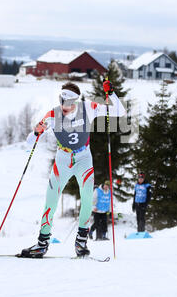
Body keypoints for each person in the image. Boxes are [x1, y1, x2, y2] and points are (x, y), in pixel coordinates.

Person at [21, 79, 126, 258]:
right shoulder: (53, 115)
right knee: (51, 200)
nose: (64, 105)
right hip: (63, 159)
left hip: (84, 158)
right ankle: (42, 243)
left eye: (69, 102)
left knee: (86, 199)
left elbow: (119, 111)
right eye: (62, 100)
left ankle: (81, 242)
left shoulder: (88, 108)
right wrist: (36, 132)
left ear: (75, 101)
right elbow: (30, 140)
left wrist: (111, 94)